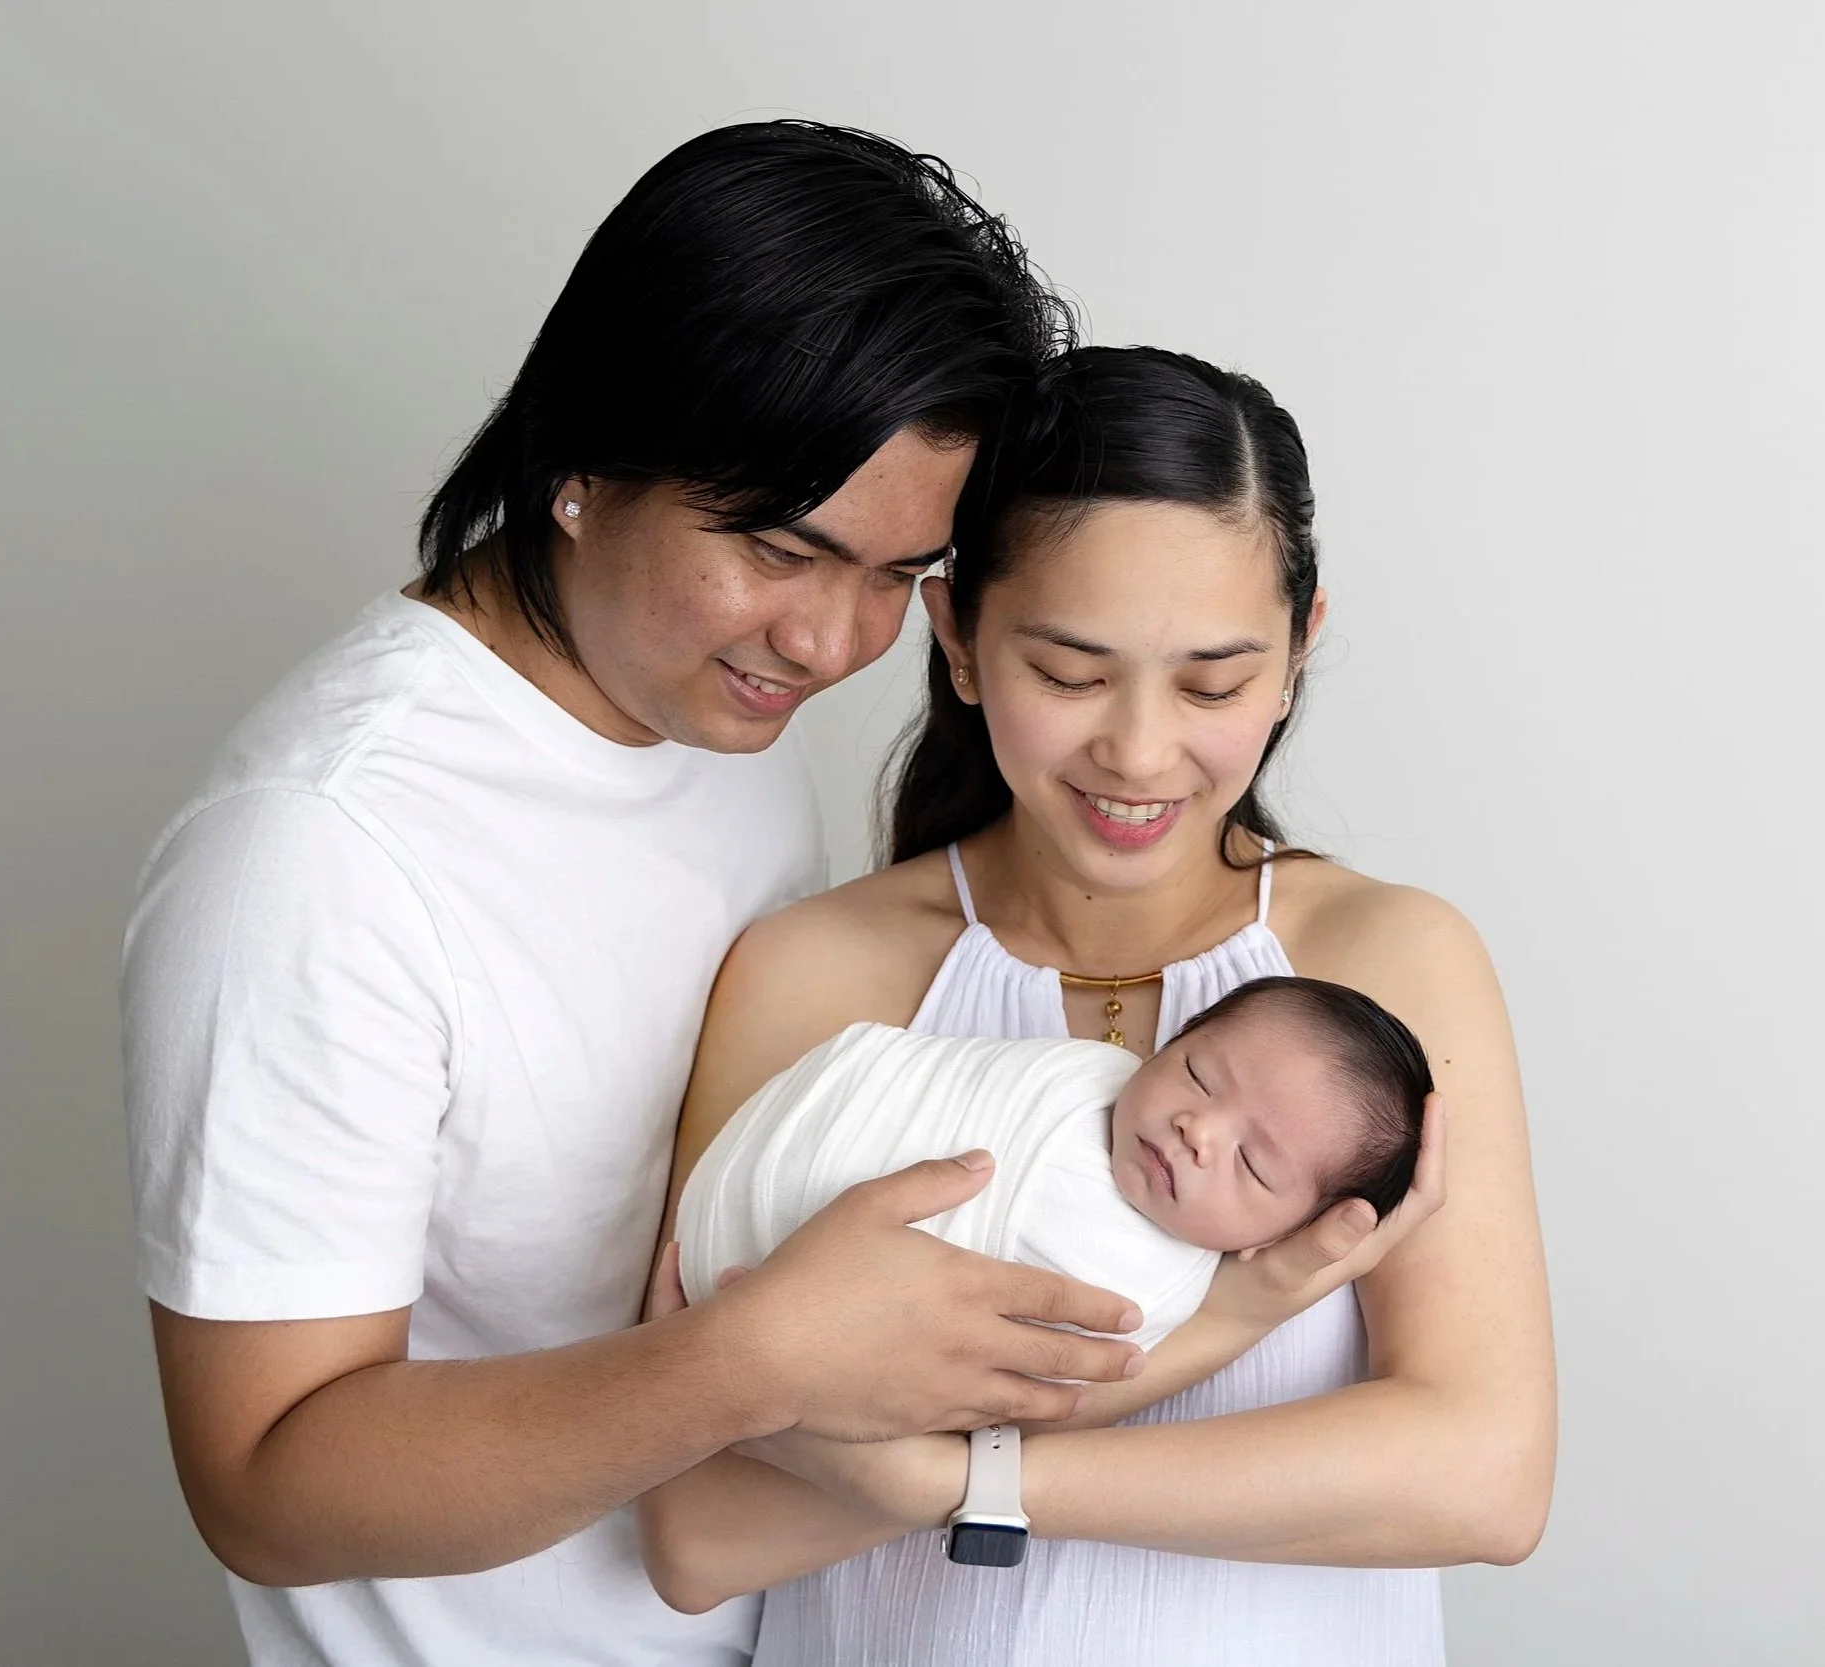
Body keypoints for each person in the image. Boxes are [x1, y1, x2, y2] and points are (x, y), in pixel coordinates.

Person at [121, 122, 1174, 1667]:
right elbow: (268, 1484)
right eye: (778, 548)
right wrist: (756, 1358)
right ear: (579, 461)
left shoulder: (713, 707)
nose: (830, 643)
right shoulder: (318, 853)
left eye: (893, 573)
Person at [639, 346, 1555, 1666]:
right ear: (955, 636)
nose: (1135, 749)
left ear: (1297, 650)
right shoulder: (817, 973)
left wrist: (957, 1483)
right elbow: (699, 1533)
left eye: (1210, 682)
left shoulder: (1382, 961)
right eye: (1069, 673)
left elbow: (1480, 1473)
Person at [675, 975, 1432, 1351]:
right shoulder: (1080, 1073)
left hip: (761, 1321)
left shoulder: (1146, 1292)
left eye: (1254, 1164)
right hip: (765, 1164)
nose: (1198, 1128)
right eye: (1199, 1074)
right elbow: (907, 1072)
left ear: (1274, 1238)